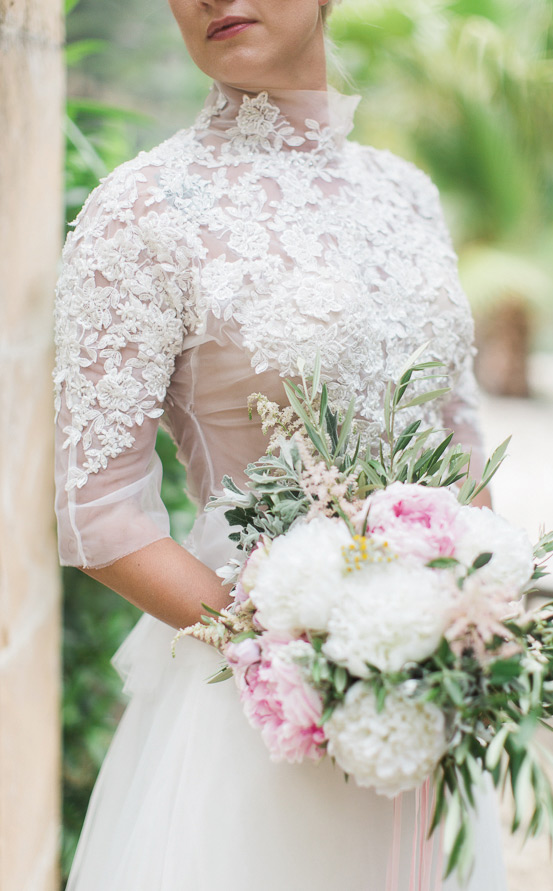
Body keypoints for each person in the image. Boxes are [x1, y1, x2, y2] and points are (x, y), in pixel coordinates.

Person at [54, 1, 507, 888]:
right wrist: (280, 649)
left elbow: (461, 449)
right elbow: (95, 512)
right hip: (257, 710)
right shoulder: (143, 209)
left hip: (428, 693)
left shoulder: (408, 192)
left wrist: (475, 616)